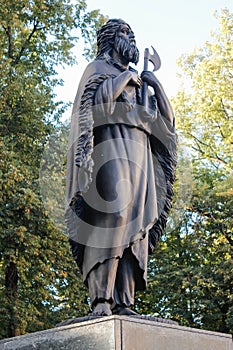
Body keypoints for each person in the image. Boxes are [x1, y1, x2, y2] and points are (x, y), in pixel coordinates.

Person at [65, 19, 177, 316]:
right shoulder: (98, 70)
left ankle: (124, 302)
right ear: (112, 40)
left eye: (133, 34)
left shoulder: (140, 81)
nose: (132, 39)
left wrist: (154, 84)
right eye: (126, 34)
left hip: (139, 153)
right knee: (113, 216)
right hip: (110, 148)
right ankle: (101, 301)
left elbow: (164, 123)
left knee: (137, 224)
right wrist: (126, 78)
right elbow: (94, 105)